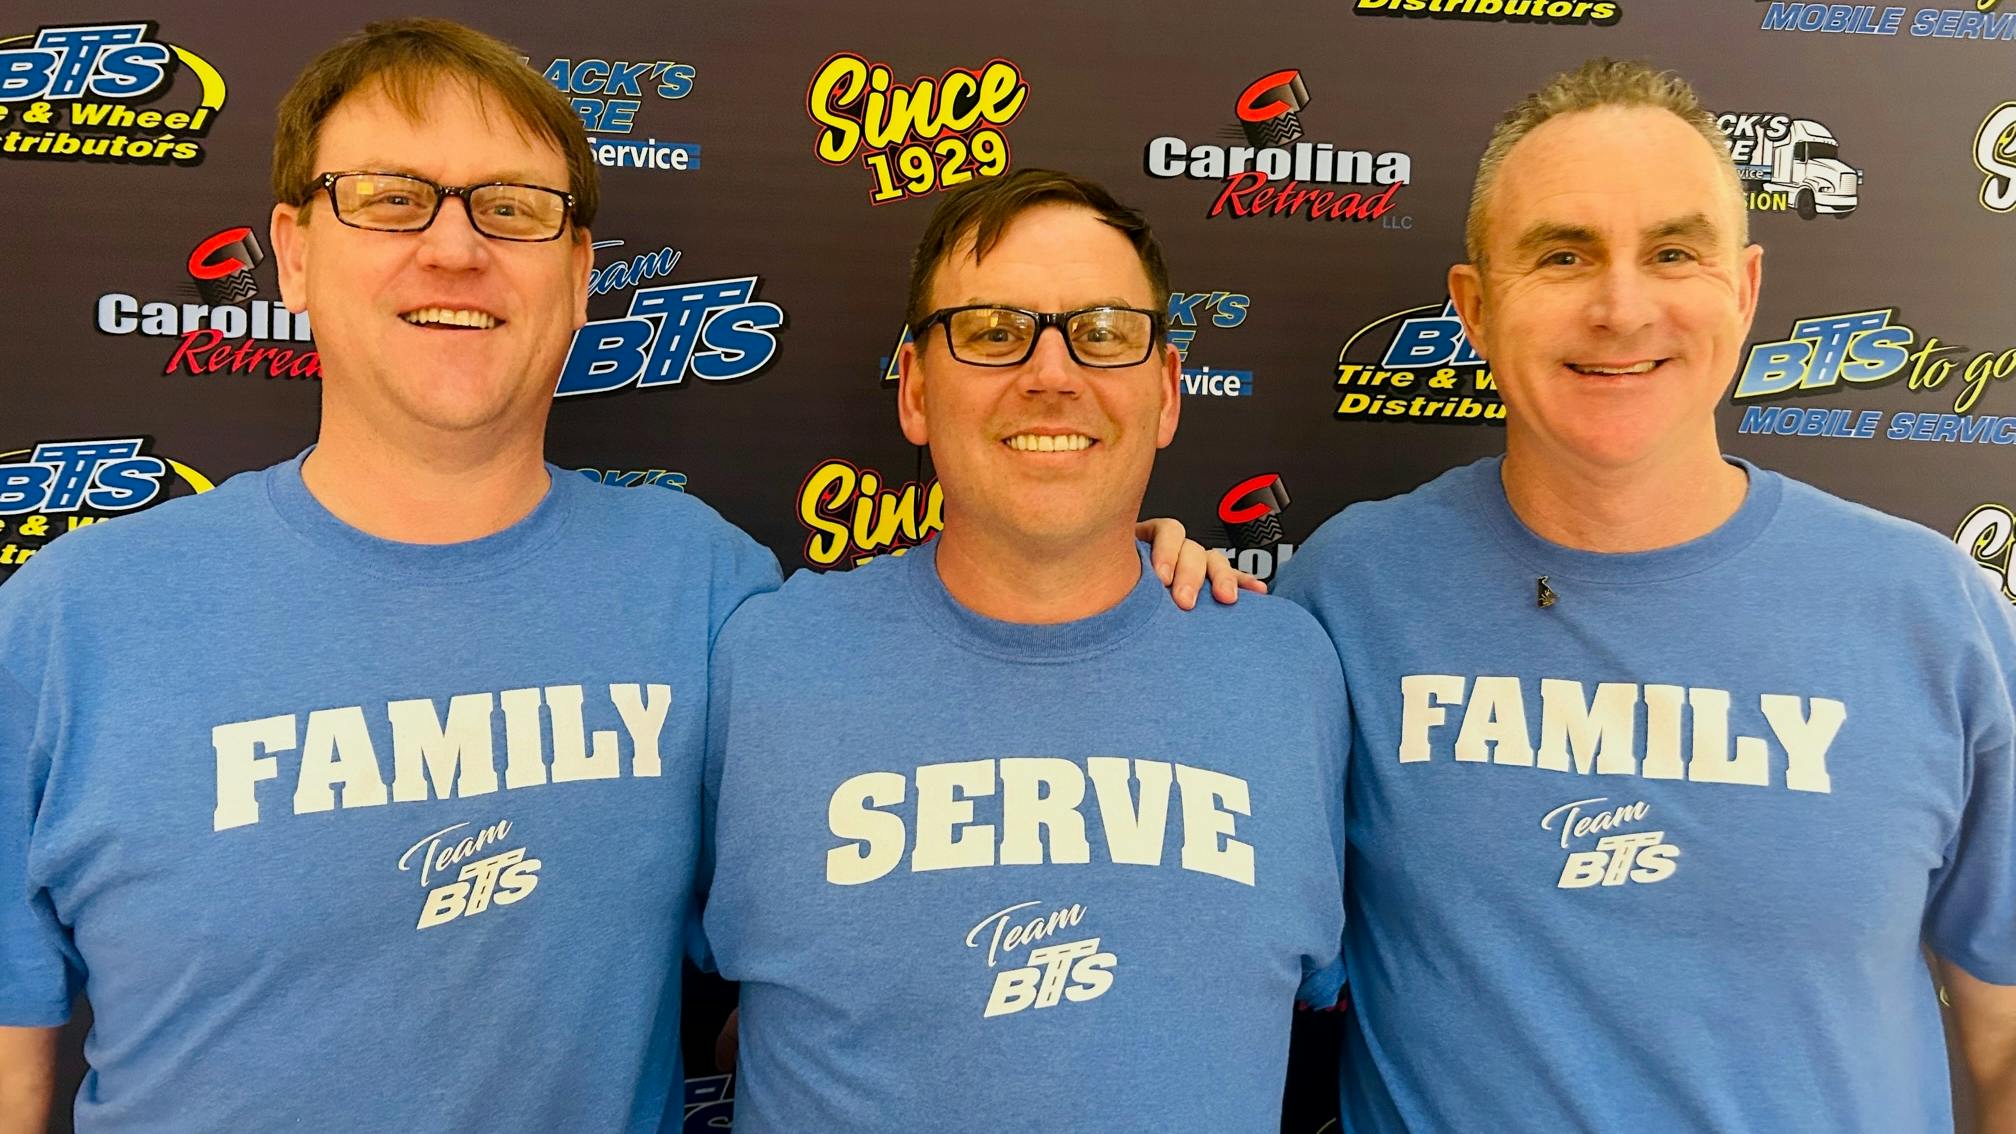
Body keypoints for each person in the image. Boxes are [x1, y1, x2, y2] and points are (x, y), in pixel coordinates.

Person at [0, 21, 1232, 1133]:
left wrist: (1112, 562)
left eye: (513, 209)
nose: (453, 249)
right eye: (390, 199)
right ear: (294, 252)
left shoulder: (715, 599)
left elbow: (950, 803)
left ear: (582, 272)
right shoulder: (67, 626)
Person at [1273, 57, 2016, 1131]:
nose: (1621, 309)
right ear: (1475, 309)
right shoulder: (1348, 593)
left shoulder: (1933, 612)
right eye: (1563, 255)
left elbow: (2003, 1038)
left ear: (1744, 291)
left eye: (1673, 252)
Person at [698, 168, 1348, 1132]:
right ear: (917, 390)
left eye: (1105, 331)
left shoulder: (1292, 673)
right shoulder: (758, 661)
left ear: (1168, 392)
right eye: (994, 331)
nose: (1051, 375)